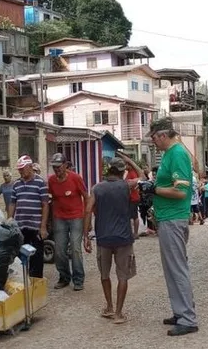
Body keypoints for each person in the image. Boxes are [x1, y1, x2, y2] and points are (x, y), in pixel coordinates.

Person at [139, 117, 198, 337]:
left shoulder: (178, 154)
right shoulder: (169, 154)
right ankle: (180, 311)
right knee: (171, 268)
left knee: (177, 268)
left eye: (154, 137)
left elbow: (181, 192)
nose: (153, 142)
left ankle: (188, 318)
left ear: (163, 135)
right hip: (168, 217)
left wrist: (153, 189)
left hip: (174, 218)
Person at [83, 157, 143, 324]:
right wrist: (130, 161)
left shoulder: (97, 188)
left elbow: (88, 210)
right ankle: (118, 313)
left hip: (103, 238)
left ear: (108, 170)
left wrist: (85, 236)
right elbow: (143, 177)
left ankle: (109, 306)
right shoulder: (126, 186)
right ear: (122, 171)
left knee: (104, 274)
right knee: (122, 276)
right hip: (123, 238)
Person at [48, 153, 88, 291]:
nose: (56, 170)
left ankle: (78, 279)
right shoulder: (52, 181)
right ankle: (64, 277)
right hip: (60, 218)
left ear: (65, 165)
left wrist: (87, 217)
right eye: (54, 167)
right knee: (59, 250)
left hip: (76, 217)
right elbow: (52, 198)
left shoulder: (75, 178)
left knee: (76, 248)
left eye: (59, 167)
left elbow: (86, 197)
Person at [7, 155, 49, 278]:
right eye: (19, 170)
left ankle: (36, 281)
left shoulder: (40, 183)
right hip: (21, 225)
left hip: (35, 225)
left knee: (37, 255)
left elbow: (45, 205)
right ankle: (21, 280)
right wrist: (10, 221)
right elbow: (12, 203)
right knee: (20, 254)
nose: (20, 172)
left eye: (22, 169)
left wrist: (43, 226)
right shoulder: (16, 184)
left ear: (30, 167)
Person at [125, 159, 141, 239]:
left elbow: (135, 184)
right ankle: (133, 233)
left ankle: (135, 233)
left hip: (133, 198)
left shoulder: (133, 173)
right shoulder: (130, 173)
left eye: (126, 164)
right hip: (132, 197)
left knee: (133, 216)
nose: (125, 166)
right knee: (132, 216)